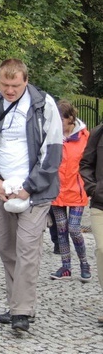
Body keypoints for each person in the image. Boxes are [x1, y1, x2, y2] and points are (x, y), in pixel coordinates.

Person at [0, 58, 63, 332]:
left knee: (27, 248)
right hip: (2, 189)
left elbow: (52, 152)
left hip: (35, 192)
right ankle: (18, 305)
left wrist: (29, 186)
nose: (10, 90)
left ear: (26, 80)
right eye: (5, 84)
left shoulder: (43, 105)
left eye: (15, 85)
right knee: (7, 247)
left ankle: (22, 311)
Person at [50, 100, 91, 281]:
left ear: (70, 118)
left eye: (61, 118)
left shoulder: (84, 136)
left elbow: (91, 161)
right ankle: (66, 267)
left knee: (74, 228)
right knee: (61, 229)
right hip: (57, 190)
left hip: (77, 190)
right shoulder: (52, 135)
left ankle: (84, 263)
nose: (57, 122)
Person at [79, 121, 103, 325]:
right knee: (102, 250)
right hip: (101, 204)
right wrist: (93, 189)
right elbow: (86, 163)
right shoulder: (99, 132)